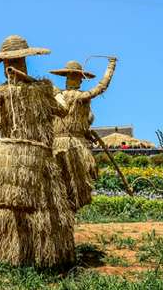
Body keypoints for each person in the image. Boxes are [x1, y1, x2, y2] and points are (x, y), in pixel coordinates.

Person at [0, 35, 75, 269]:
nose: (11, 66)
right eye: (10, 62)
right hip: (13, 163)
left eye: (14, 61)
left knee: (45, 207)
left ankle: (46, 256)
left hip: (39, 161)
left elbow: (62, 109)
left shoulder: (42, 89)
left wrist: (47, 91)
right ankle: (8, 254)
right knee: (9, 205)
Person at [49, 58, 116, 211]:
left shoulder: (56, 97)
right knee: (77, 184)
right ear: (79, 78)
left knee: (59, 183)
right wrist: (111, 67)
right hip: (76, 145)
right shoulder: (82, 96)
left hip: (56, 145)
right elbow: (101, 86)